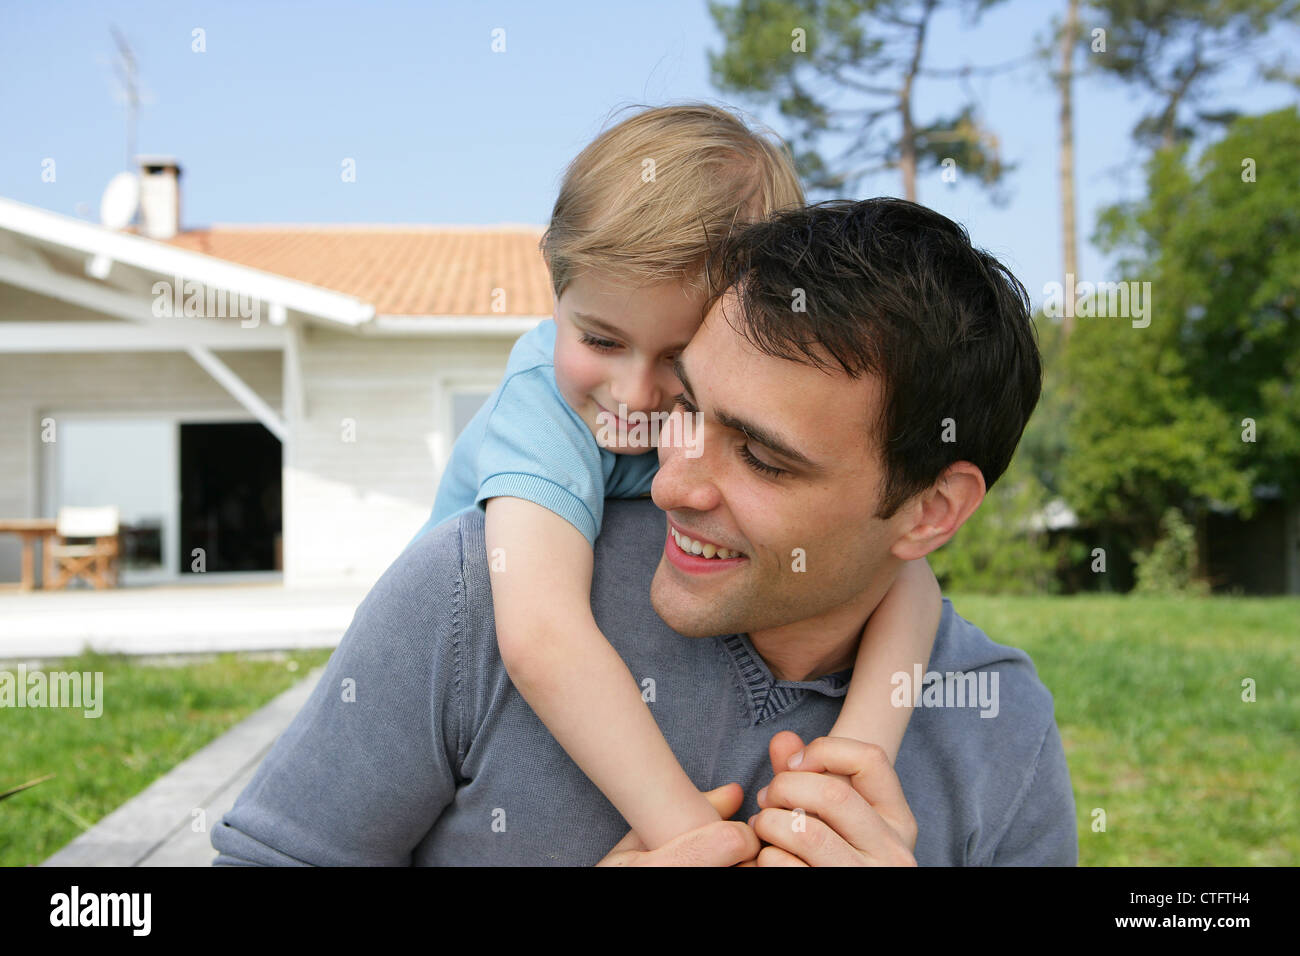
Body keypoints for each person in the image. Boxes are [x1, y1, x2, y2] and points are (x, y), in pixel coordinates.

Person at [211, 197, 1076, 866]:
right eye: (688, 408)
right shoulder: (477, 587)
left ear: (931, 511)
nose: (672, 481)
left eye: (765, 460)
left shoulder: (1001, 724)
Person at [399, 104, 940, 851]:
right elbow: (539, 637)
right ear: (556, 296)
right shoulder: (542, 402)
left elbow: (911, 581)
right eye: (599, 338)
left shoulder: (727, 407)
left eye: (678, 358)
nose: (634, 393)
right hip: (434, 668)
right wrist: (689, 835)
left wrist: (846, 776)